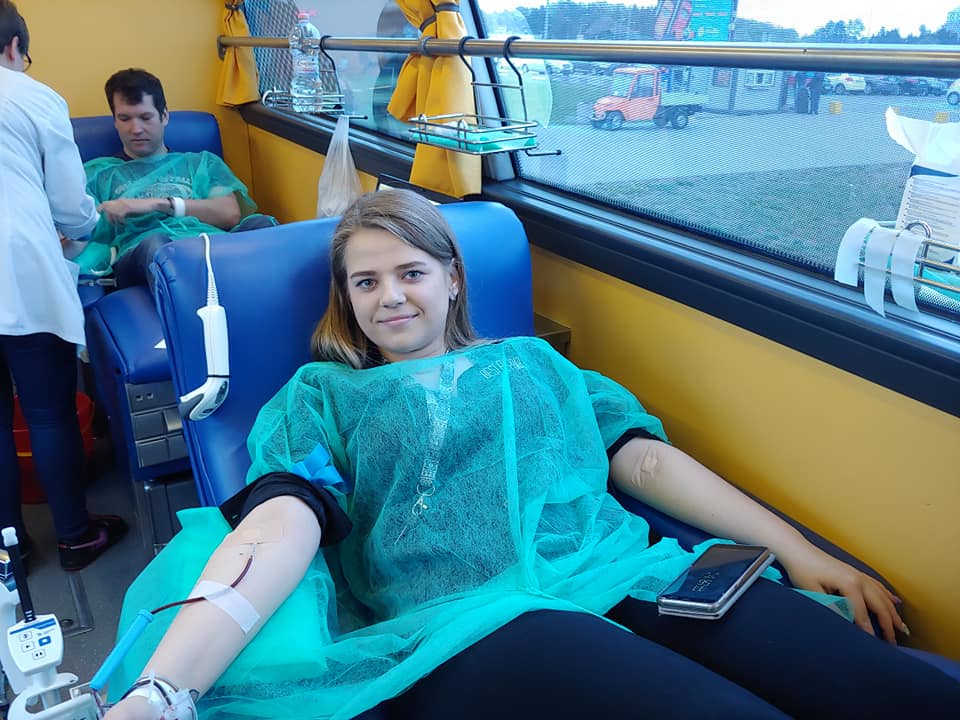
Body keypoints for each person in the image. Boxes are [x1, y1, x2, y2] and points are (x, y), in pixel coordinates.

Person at [105, 190, 960, 720]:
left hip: (627, 573)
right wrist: (163, 691)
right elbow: (281, 521)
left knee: (900, 693)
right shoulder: (321, 397)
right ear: (347, 301)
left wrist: (800, 551)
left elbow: (643, 461)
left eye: (409, 272)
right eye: (365, 283)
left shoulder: (536, 362)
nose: (389, 297)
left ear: (452, 277)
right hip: (473, 617)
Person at [0, 0, 127, 571]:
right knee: (48, 412)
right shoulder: (31, 96)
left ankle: (9, 551)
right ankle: (76, 537)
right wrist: (82, 228)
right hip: (19, 271)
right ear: (14, 47)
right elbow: (74, 210)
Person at [71, 68, 275, 288]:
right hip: (143, 255)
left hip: (211, 246)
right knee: (157, 246)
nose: (136, 129)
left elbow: (229, 214)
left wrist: (158, 205)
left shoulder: (200, 163)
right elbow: (79, 233)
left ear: (164, 116)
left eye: (145, 117)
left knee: (263, 224)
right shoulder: (98, 174)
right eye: (125, 118)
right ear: (115, 122)